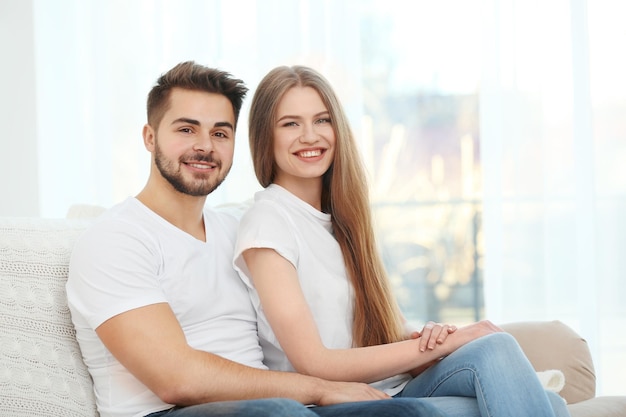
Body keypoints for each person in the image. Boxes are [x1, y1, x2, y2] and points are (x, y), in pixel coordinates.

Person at [65, 61, 447, 417]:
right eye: (186, 129)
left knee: (407, 410)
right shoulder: (115, 240)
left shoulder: (237, 229)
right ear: (150, 137)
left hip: (270, 404)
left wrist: (416, 342)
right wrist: (318, 388)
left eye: (219, 132)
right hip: (171, 411)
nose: (204, 145)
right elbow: (176, 379)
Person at [233, 65, 571, 417]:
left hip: (391, 388)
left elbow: (379, 327)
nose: (310, 136)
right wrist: (451, 342)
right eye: (290, 124)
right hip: (337, 403)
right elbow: (313, 362)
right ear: (264, 136)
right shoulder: (268, 222)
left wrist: (428, 337)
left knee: (532, 388)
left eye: (322, 120)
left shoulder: (341, 220)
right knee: (511, 369)